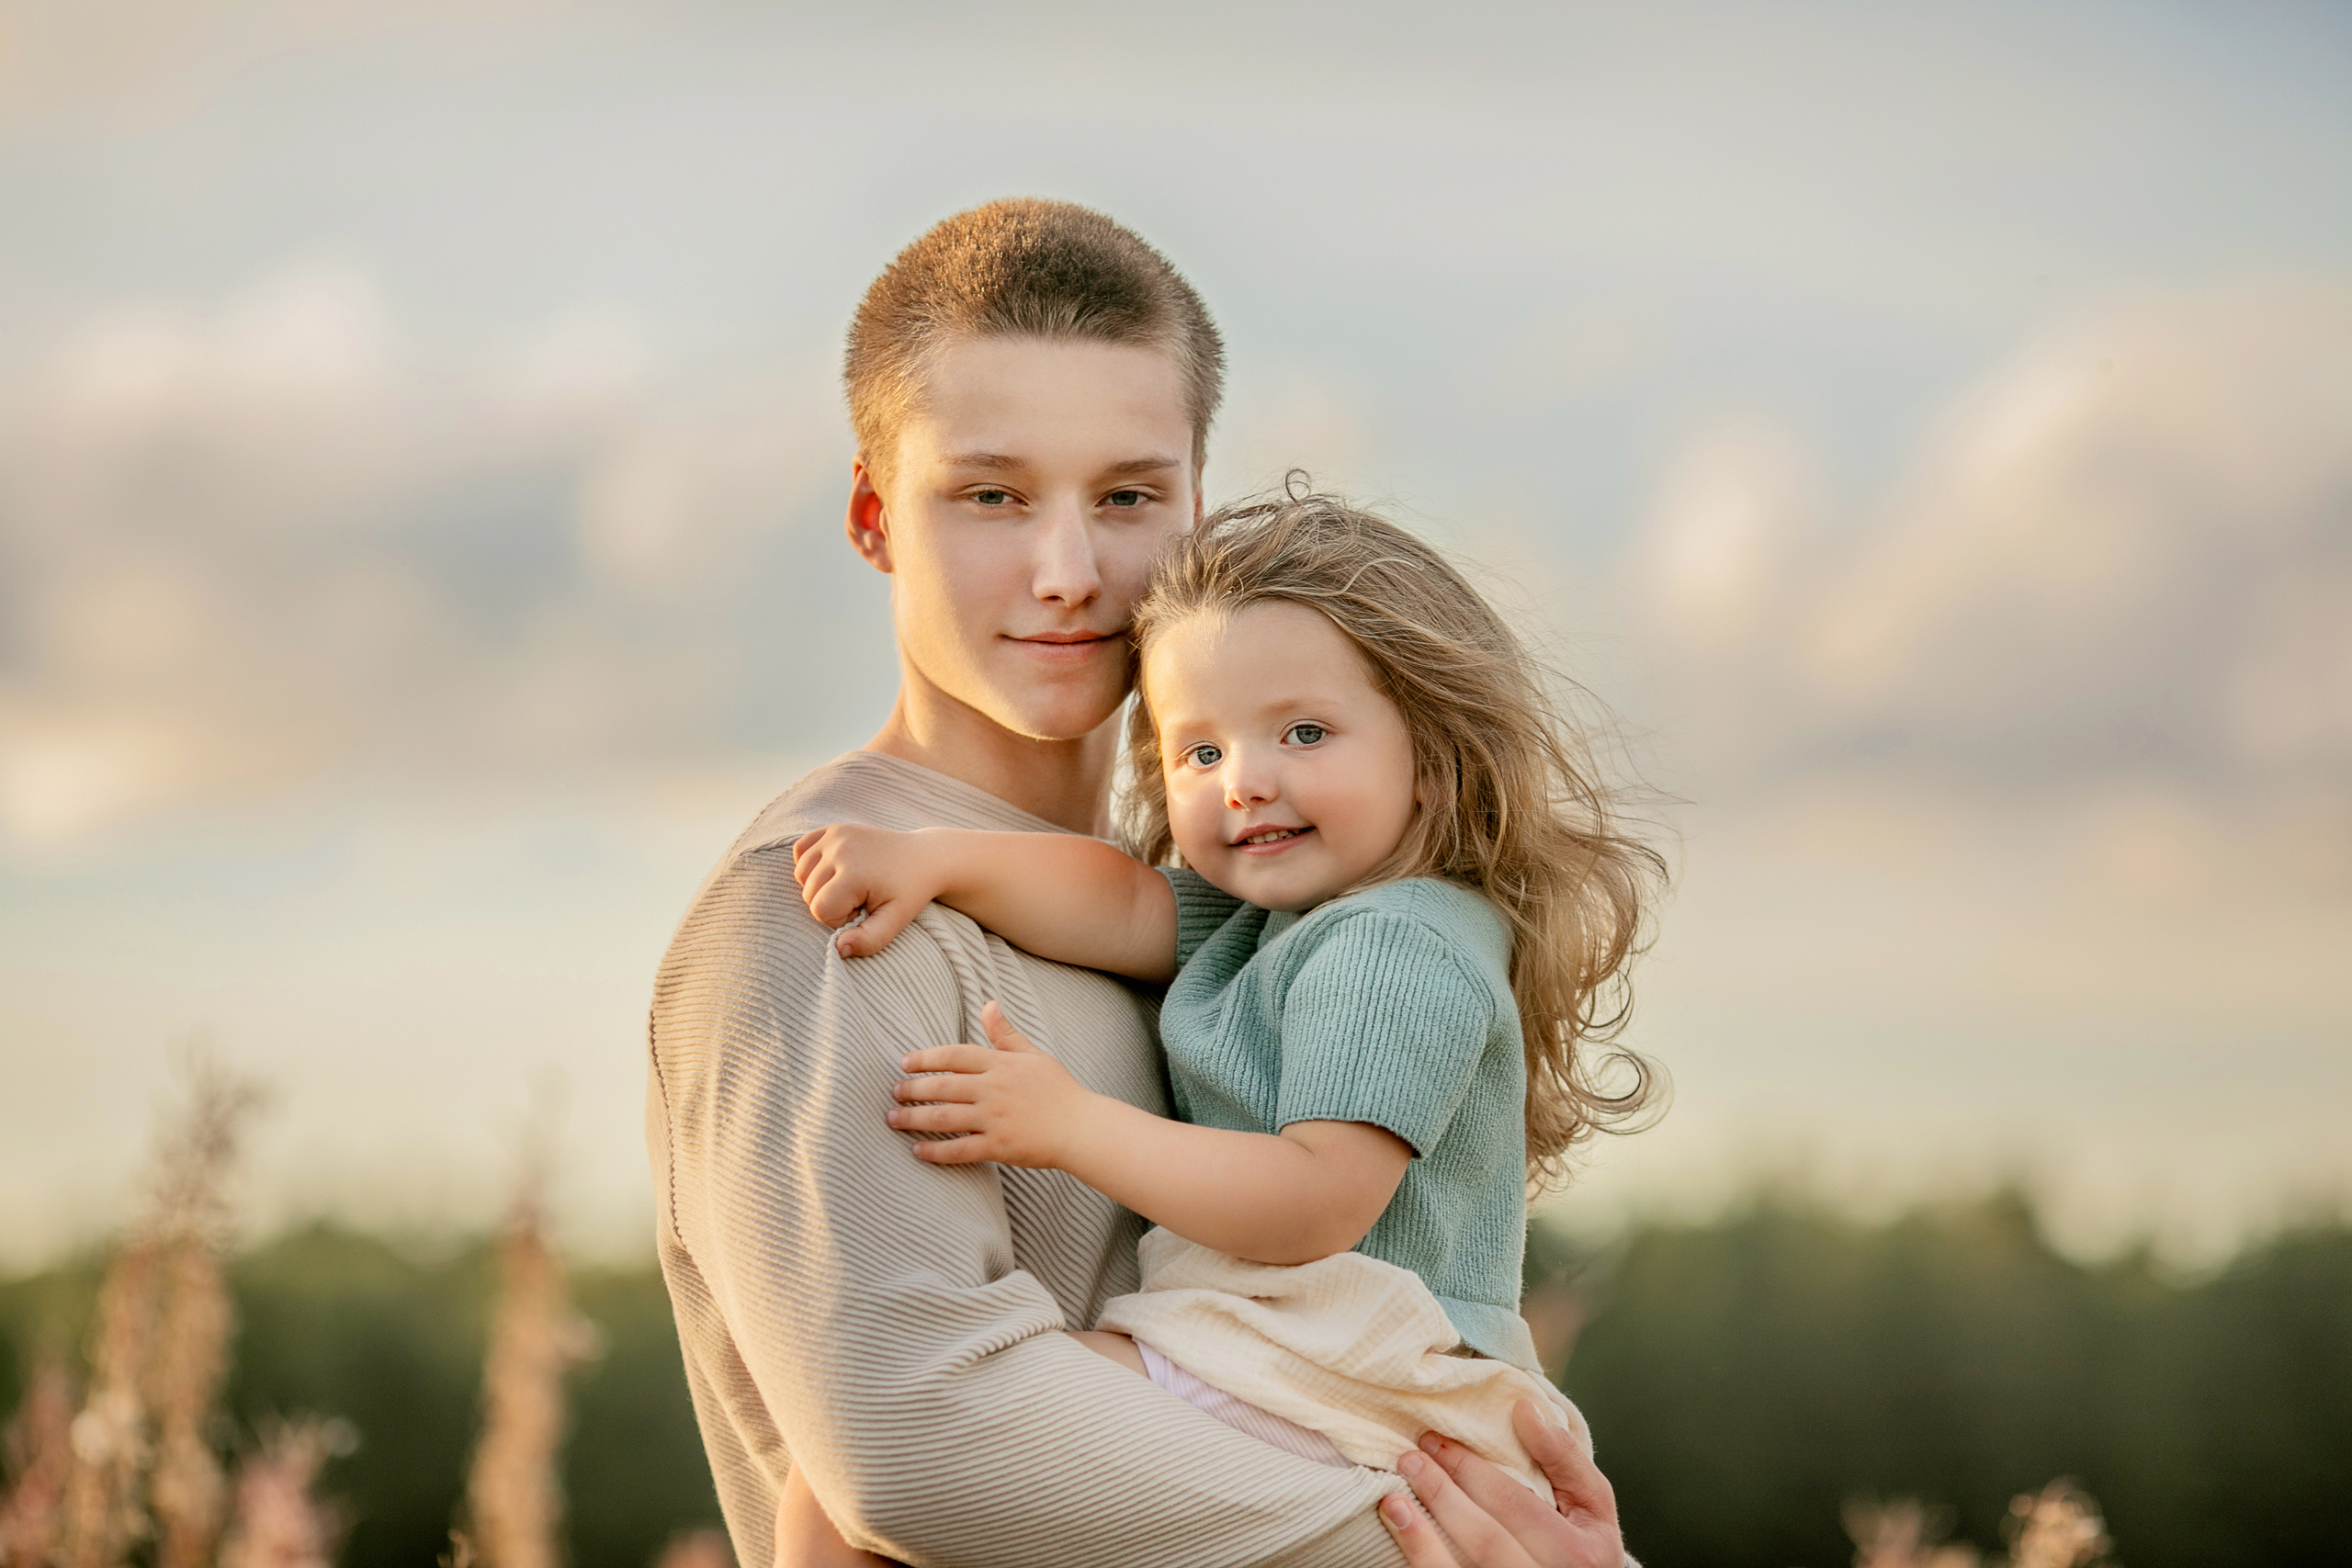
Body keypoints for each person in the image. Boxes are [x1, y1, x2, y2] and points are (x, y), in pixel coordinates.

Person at [647, 197, 1641, 1568]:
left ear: (1195, 506)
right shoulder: (826, 905)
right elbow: (924, 1442)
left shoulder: (1243, 909)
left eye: (1126, 496)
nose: (1069, 574)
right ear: (877, 514)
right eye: (992, 494)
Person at [796, 490, 1663, 1519]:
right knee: (854, 1492)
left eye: (1302, 732)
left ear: (1431, 757)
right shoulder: (1281, 918)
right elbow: (1117, 901)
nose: (1244, 780)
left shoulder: (1396, 945)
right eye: (1199, 752)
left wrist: (1069, 1125)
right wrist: (936, 856)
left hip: (1360, 1374)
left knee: (877, 1479)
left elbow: (1312, 1200)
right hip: (1290, 1352)